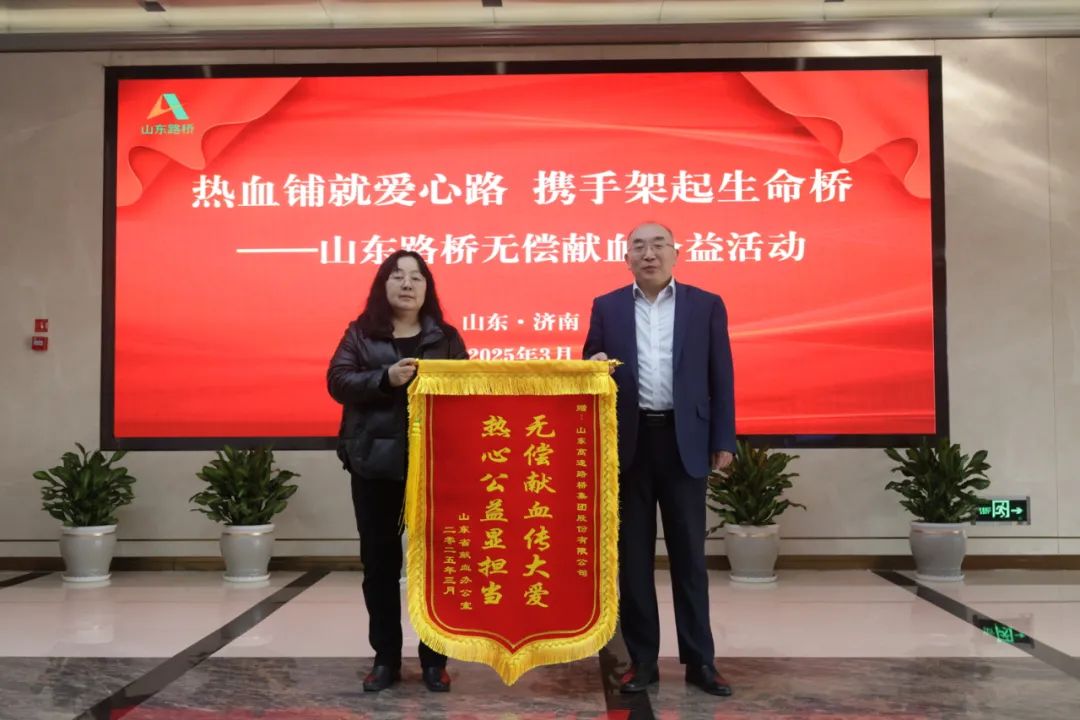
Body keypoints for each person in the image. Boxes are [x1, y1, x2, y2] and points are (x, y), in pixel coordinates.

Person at [583, 221, 736, 697]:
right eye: (639, 246)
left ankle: (700, 661)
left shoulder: (705, 305)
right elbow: (590, 363)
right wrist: (593, 364)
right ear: (626, 257)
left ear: (675, 253)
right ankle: (642, 660)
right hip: (629, 444)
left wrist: (723, 438)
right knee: (633, 560)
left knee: (690, 557)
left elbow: (721, 375)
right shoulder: (607, 306)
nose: (648, 254)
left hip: (684, 441)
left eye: (658, 245)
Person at [327, 250, 467, 693]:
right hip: (374, 465)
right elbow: (337, 382)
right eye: (398, 276)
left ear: (427, 288)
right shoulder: (361, 333)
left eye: (416, 277)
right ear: (383, 285)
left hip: (434, 468)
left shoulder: (445, 338)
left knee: (436, 567)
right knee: (380, 566)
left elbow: (468, 392)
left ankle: (434, 660)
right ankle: (385, 658)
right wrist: (383, 378)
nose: (407, 284)